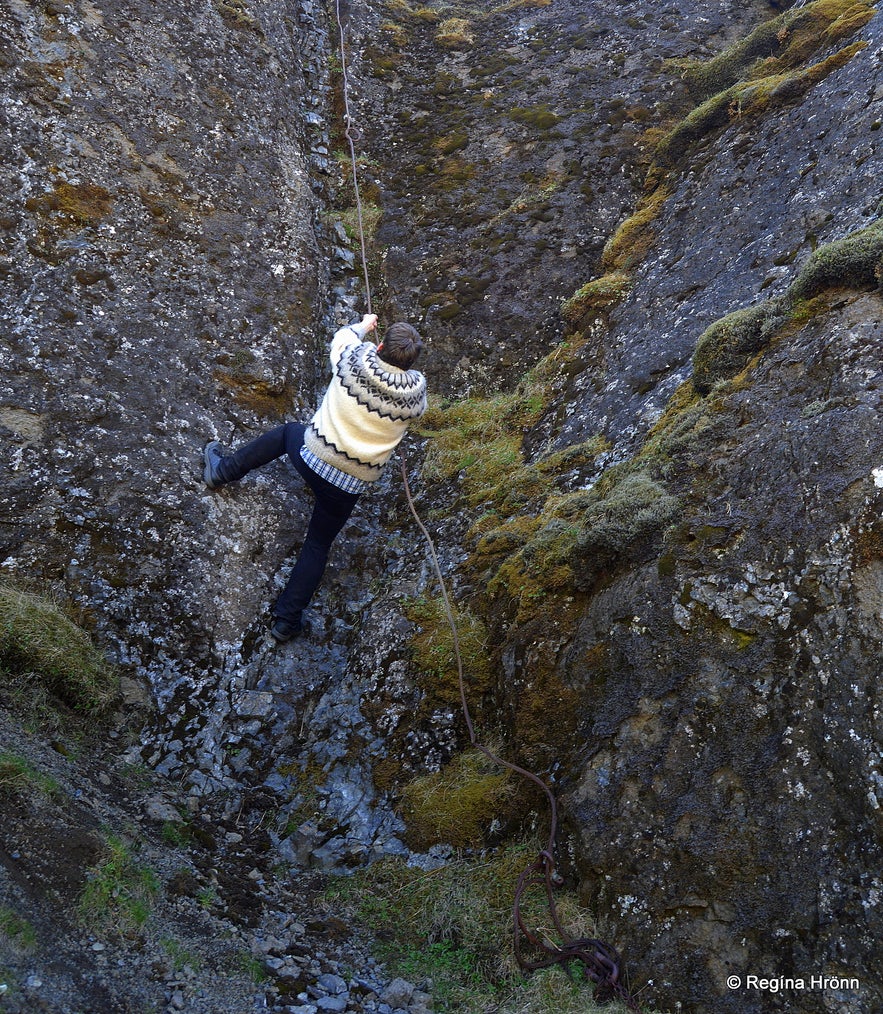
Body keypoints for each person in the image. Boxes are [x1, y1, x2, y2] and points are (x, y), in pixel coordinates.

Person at [203, 313, 427, 642]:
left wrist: (364, 325)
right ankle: (285, 622)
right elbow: (416, 410)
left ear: (380, 345)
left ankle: (222, 470)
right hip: (349, 484)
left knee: (286, 434)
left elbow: (342, 338)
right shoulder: (415, 393)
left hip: (313, 456)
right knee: (318, 544)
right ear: (411, 362)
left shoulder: (356, 358)